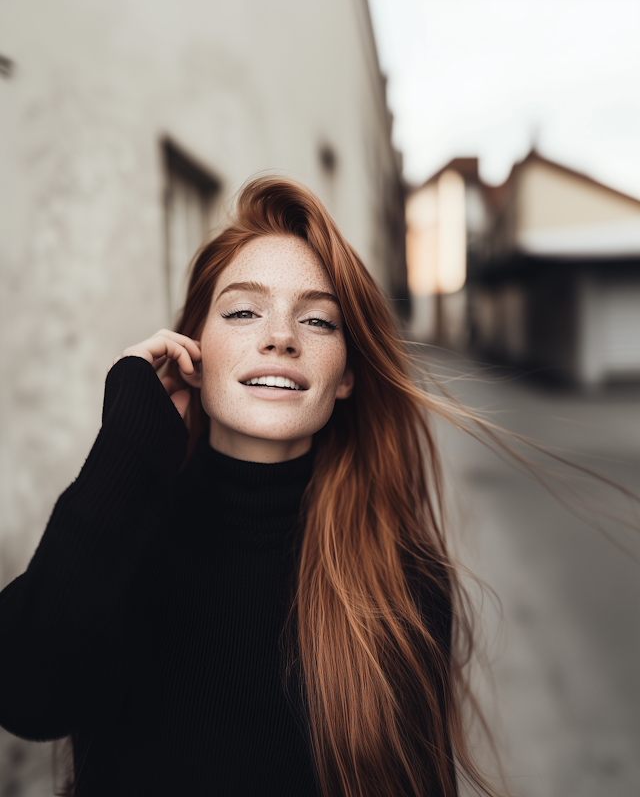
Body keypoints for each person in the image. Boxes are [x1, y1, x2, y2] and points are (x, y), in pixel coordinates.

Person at [0, 177, 501, 797]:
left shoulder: (400, 574)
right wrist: (127, 446)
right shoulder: (123, 545)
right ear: (194, 349)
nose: (281, 337)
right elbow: (26, 695)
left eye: (318, 321)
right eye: (242, 311)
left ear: (345, 375)